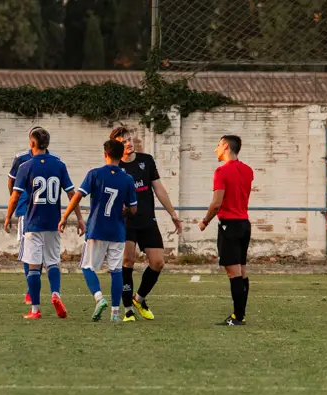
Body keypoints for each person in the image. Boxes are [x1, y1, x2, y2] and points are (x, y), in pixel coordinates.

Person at [3, 127, 84, 319]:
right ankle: (55, 294)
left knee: (33, 266)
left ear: (32, 144)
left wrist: (8, 216)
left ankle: (35, 310)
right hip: (54, 222)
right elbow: (72, 194)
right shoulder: (59, 165)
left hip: (33, 222)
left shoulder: (26, 166)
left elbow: (15, 197)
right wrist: (79, 218)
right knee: (53, 262)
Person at [109, 126, 183, 322]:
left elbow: (158, 189)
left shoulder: (146, 161)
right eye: (123, 141)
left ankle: (138, 299)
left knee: (158, 262)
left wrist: (173, 214)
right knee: (128, 262)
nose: (128, 143)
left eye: (129, 139)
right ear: (117, 146)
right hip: (126, 222)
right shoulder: (116, 168)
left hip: (147, 220)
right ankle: (127, 310)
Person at [59, 139, 137, 322]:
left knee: (87, 266)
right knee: (116, 271)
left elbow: (77, 196)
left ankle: (99, 298)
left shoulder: (94, 174)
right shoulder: (127, 179)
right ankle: (115, 314)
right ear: (121, 157)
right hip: (117, 232)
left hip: (97, 229)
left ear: (105, 154)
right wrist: (123, 210)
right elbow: (133, 209)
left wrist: (64, 217)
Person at [198, 135, 253, 327]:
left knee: (234, 273)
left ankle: (237, 317)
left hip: (229, 225)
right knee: (242, 271)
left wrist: (205, 221)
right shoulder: (248, 170)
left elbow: (217, 203)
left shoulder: (221, 171)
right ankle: (241, 315)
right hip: (245, 224)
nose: (216, 149)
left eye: (218, 145)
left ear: (227, 147)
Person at [8, 129, 44, 305]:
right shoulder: (21, 158)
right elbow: (11, 181)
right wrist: (16, 200)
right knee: (27, 251)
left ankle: (34, 288)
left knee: (40, 252)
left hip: (44, 212)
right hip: (25, 211)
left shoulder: (51, 159)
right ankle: (31, 290)